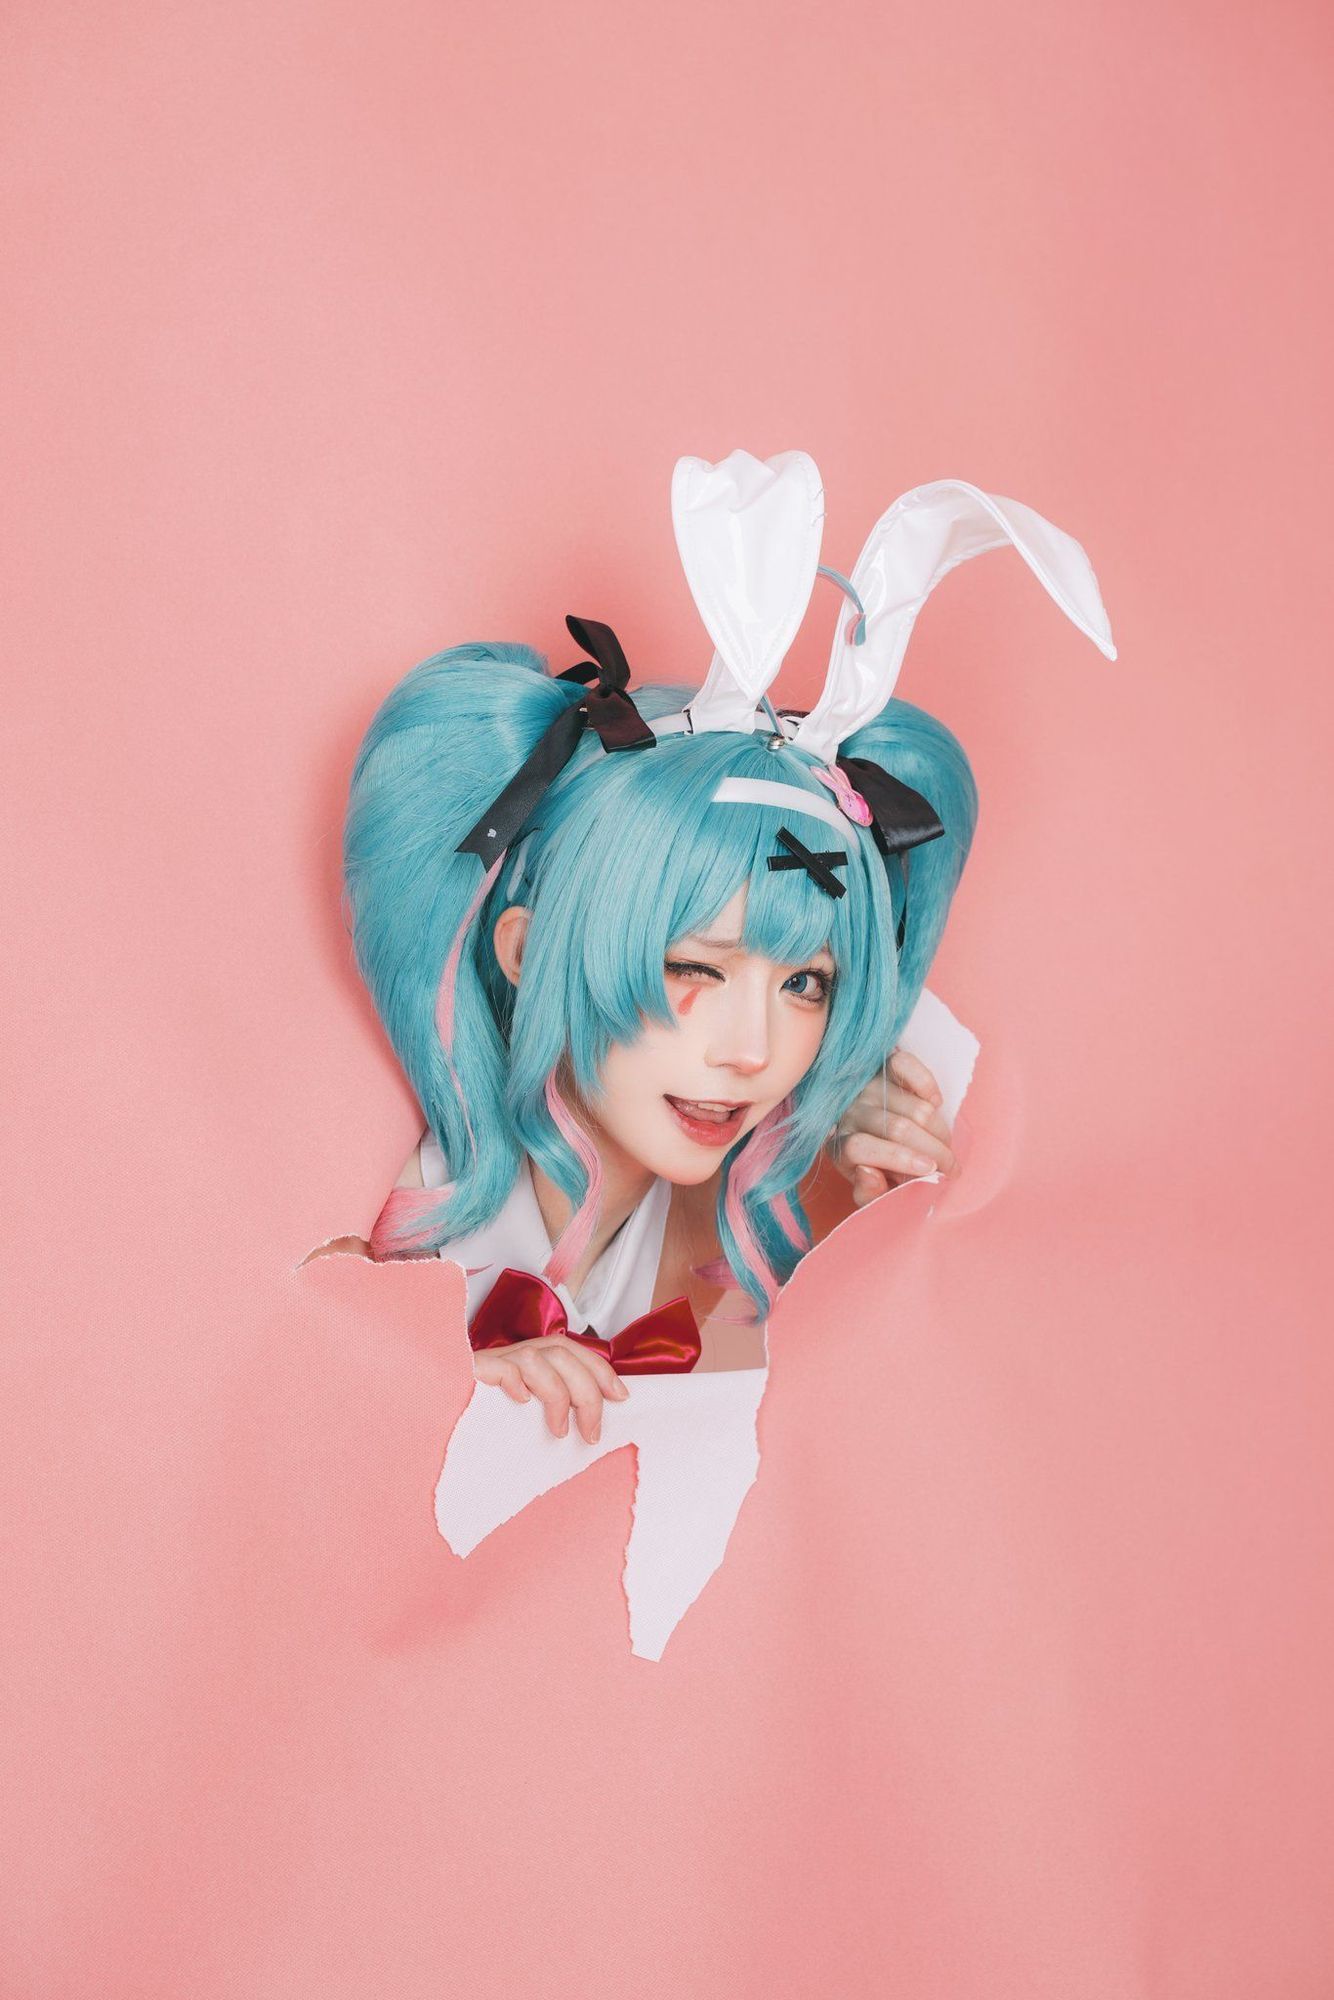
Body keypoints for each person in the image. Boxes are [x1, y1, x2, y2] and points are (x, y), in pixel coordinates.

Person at [311, 450, 1114, 1656]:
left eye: (804, 983)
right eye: (693, 968)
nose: (751, 1050)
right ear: (524, 950)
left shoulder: (734, 1208)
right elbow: (304, 1345)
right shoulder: (435, 1181)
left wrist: (871, 1221)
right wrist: (446, 1374)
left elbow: (794, 1466)